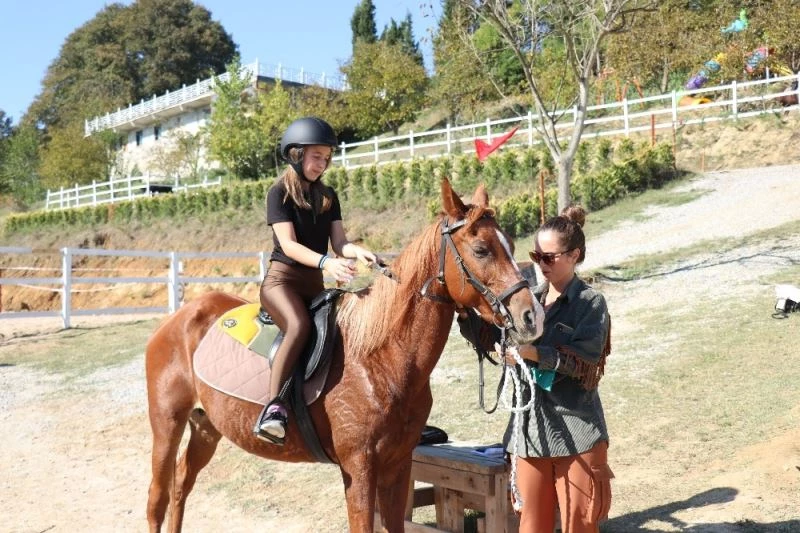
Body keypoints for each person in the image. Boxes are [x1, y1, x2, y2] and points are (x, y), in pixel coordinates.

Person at [254, 116, 377, 444]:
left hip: (314, 285)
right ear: (295, 154)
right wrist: (327, 263)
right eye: (316, 157)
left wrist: (359, 253)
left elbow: (340, 243)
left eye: (326, 158)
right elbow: (289, 245)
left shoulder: (328, 195)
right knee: (299, 326)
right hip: (282, 283)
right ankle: (273, 408)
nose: (322, 164)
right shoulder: (278, 193)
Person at [500, 205, 613, 532]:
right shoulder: (527, 301)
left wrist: (533, 353)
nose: (541, 264)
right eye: (537, 256)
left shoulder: (590, 303)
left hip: (576, 429)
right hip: (529, 431)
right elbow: (497, 335)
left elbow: (585, 361)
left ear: (574, 254)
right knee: (531, 525)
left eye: (550, 257)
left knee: (580, 524)